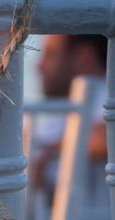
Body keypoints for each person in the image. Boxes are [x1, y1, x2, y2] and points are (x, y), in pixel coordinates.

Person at [31, 34, 108, 205]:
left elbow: (107, 137)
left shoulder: (106, 94)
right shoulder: (67, 107)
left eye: (50, 55)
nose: (39, 66)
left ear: (84, 56)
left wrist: (50, 150)